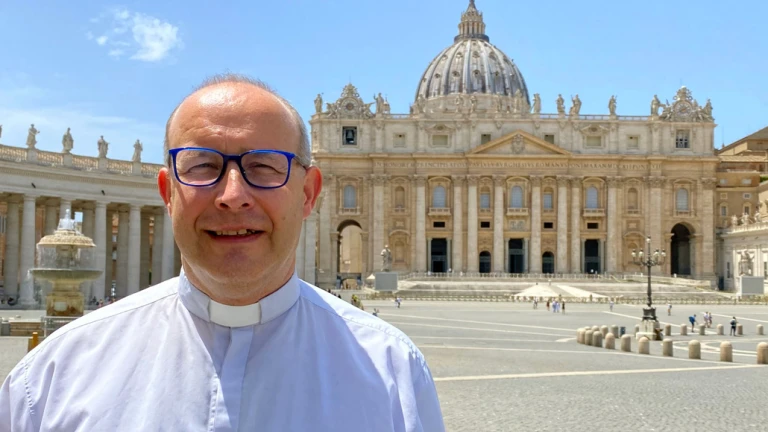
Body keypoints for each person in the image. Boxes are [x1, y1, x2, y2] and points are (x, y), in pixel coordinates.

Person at [0, 75, 444, 431]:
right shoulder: (49, 378)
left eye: (263, 166)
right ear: (167, 193)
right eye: (202, 166)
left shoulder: (395, 371)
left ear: (308, 194)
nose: (233, 196)